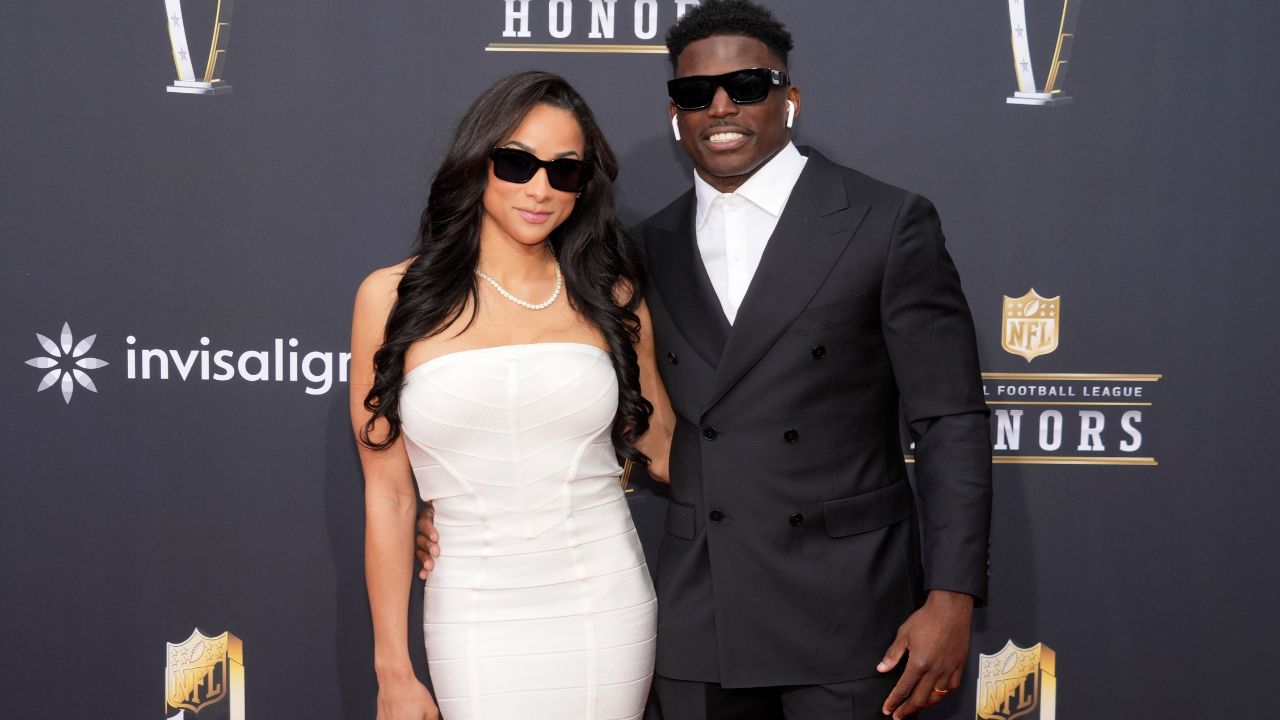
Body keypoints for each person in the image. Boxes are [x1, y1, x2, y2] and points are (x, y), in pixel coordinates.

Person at [419, 2, 991, 717]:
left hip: (849, 610)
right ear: (675, 114)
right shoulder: (639, 252)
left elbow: (950, 420)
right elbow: (567, 395)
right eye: (695, 93)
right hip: (699, 615)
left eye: (747, 85)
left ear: (790, 97)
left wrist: (951, 595)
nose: (721, 107)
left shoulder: (886, 222)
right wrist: (465, 502)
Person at [351, 71, 673, 720]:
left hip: (602, 599)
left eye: (564, 171)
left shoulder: (611, 297)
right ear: (479, 162)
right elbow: (388, 494)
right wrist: (393, 671)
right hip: (472, 605)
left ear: (584, 186)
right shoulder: (389, 298)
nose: (540, 188)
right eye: (518, 162)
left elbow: (665, 448)